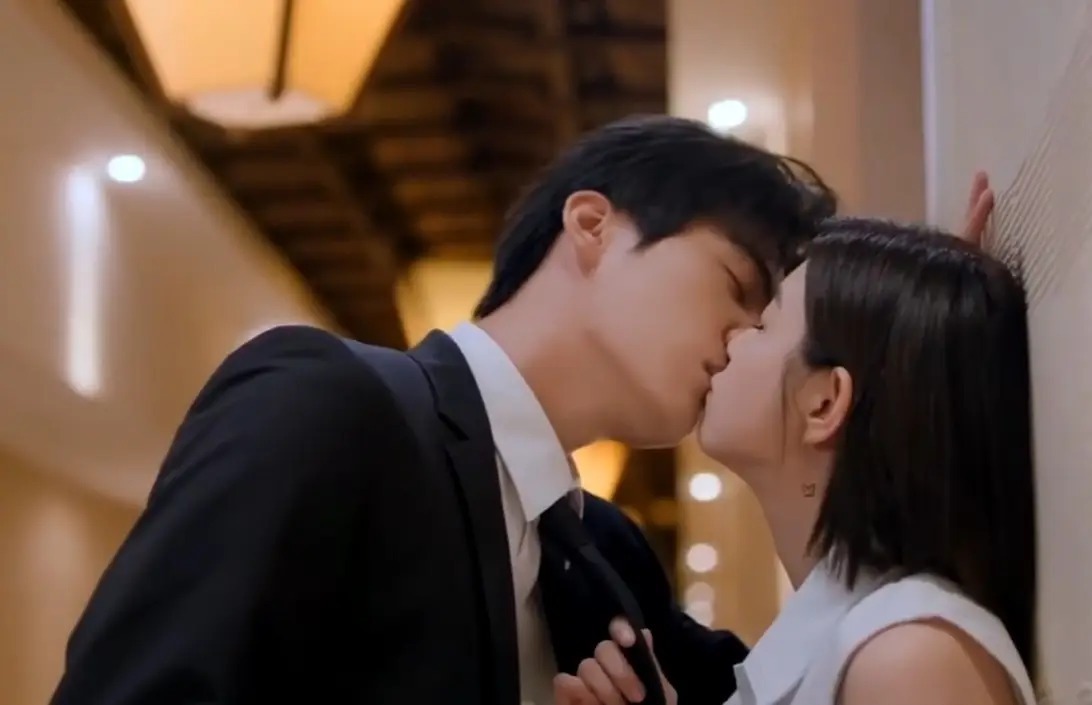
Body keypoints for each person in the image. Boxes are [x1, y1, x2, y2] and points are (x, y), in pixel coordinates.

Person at [50, 115, 839, 705]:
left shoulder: (607, 548)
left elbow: (800, 683)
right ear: (593, 225)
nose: (744, 339)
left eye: (767, 319)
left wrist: (864, 415)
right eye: (738, 287)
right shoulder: (332, 403)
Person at [553, 218, 1037, 705]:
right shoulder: (864, 639)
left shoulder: (908, 657)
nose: (732, 340)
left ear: (823, 404)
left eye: (763, 325)